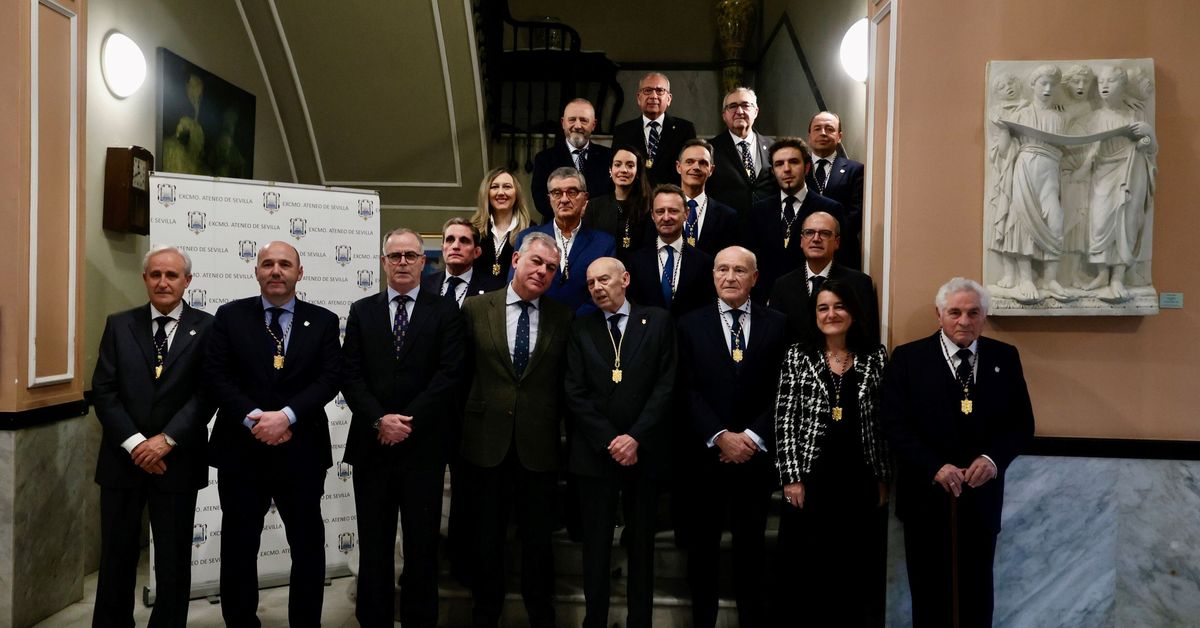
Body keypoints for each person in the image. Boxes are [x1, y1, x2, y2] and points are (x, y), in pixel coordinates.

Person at [205, 241, 343, 628]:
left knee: (307, 548)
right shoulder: (229, 317)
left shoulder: (325, 320)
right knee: (238, 547)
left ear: (300, 273)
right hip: (241, 452)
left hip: (302, 453)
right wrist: (254, 419)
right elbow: (217, 375)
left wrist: (286, 416)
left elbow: (330, 378)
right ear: (256, 272)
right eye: (268, 264)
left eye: (285, 264)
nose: (276, 270)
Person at [883, 277, 1035, 628]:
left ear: (984, 316)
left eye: (973, 313)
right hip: (925, 496)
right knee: (928, 592)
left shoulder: (1004, 357)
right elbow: (894, 425)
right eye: (955, 312)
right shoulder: (908, 359)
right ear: (939, 314)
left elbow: (1021, 425)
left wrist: (992, 460)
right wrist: (934, 466)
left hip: (981, 498)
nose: (963, 321)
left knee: (977, 591)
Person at [341, 228, 466, 628]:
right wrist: (380, 419)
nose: (402, 263)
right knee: (374, 546)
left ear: (423, 262)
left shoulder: (445, 311)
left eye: (410, 256)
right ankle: (373, 620)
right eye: (394, 256)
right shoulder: (362, 310)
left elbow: (449, 374)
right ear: (383, 262)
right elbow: (351, 375)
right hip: (371, 447)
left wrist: (405, 421)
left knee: (421, 545)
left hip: (423, 448)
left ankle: (418, 620)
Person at [91, 246, 214, 628]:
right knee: (116, 558)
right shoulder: (118, 324)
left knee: (174, 559)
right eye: (155, 274)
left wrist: (167, 440)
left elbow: (207, 394)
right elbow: (104, 391)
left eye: (172, 275)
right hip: (121, 461)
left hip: (177, 461)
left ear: (187, 281)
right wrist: (136, 444)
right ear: (144, 279)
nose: (163, 282)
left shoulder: (209, 328)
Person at [458, 232, 572, 628]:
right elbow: (458, 376)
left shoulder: (563, 316)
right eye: (537, 262)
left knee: (538, 543)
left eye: (551, 268)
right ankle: (485, 613)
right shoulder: (474, 309)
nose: (543, 272)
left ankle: (541, 614)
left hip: (538, 447)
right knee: (486, 539)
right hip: (484, 444)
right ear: (516, 258)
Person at [676, 246, 788, 628]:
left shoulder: (779, 324)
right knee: (702, 550)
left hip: (754, 460)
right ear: (712, 276)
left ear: (755, 278)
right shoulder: (689, 324)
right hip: (706, 459)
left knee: (751, 551)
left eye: (739, 271)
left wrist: (751, 437)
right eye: (722, 269)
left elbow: (783, 389)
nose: (730, 277)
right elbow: (685, 389)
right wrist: (720, 435)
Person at [564, 257, 677, 628]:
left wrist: (635, 438)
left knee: (641, 545)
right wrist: (611, 439)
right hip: (595, 454)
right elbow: (575, 392)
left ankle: (639, 620)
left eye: (604, 280)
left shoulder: (657, 321)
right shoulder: (580, 328)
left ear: (625, 279)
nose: (597, 288)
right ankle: (594, 619)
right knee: (595, 548)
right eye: (591, 283)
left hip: (643, 454)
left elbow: (665, 385)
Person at [773, 280, 891, 626]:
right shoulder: (798, 355)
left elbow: (883, 423)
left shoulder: (875, 357)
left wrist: (883, 477)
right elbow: (785, 419)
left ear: (853, 312)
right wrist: (791, 477)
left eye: (839, 306)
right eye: (823, 308)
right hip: (812, 480)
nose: (831, 314)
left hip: (859, 478)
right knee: (809, 568)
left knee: (854, 568)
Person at [990, 65, 1070, 302]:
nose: (1047, 89)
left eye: (1052, 85)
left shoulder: (1060, 117)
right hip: (1026, 166)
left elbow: (1066, 145)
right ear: (1033, 86)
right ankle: (1025, 278)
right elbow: (1004, 151)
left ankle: (1050, 278)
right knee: (1022, 220)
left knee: (1055, 219)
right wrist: (1004, 129)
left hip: (1050, 169)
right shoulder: (1021, 114)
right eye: (1042, 83)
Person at [1079, 65, 1157, 302]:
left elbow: (1151, 149)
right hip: (1102, 172)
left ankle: (1118, 277)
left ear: (1122, 86)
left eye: (1111, 82)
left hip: (1130, 172)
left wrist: (1148, 134)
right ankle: (1102, 273)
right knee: (1100, 221)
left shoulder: (1135, 115)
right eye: (1101, 81)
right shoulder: (1093, 117)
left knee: (1127, 221)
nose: (1104, 86)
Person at [742, 137, 845, 302]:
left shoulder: (830, 209)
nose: (787, 169)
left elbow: (843, 260)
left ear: (807, 167)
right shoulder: (758, 212)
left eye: (793, 162)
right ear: (773, 171)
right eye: (779, 164)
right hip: (768, 305)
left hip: (814, 302)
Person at [515, 167, 616, 314]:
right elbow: (517, 284)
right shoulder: (527, 237)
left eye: (572, 192)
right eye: (557, 193)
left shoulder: (604, 243)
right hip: (537, 323)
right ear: (549, 199)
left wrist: (571, 321)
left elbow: (607, 291)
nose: (564, 199)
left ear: (585, 198)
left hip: (584, 327)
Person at [769, 211, 879, 344]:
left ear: (837, 242)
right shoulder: (782, 285)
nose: (816, 239)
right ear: (801, 241)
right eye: (809, 233)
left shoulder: (859, 283)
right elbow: (776, 339)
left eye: (824, 233)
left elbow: (868, 336)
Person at [626, 184, 716, 318]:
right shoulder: (635, 262)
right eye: (660, 211)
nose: (666, 217)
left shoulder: (704, 263)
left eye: (673, 211)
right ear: (652, 215)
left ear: (686, 213)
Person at [531, 99, 615, 222]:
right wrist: (572, 212)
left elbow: (613, 197)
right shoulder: (544, 159)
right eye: (572, 120)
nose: (577, 126)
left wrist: (589, 212)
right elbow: (540, 201)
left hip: (598, 228)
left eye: (583, 120)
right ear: (563, 123)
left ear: (594, 125)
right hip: (559, 231)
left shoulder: (609, 157)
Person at [611, 72, 698, 186]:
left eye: (659, 91)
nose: (653, 96)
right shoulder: (622, 131)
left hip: (671, 198)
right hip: (634, 199)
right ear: (639, 97)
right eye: (647, 90)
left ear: (669, 99)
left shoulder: (684, 129)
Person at [806, 111, 865, 269]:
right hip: (802, 251)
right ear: (809, 135)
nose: (823, 133)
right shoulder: (796, 168)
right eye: (817, 128)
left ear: (839, 136)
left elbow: (856, 212)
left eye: (829, 129)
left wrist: (829, 236)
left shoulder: (855, 170)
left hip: (842, 251)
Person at [705, 87, 776, 214]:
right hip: (728, 226)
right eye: (732, 106)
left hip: (767, 224)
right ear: (724, 115)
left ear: (756, 111)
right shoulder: (710, 149)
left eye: (745, 105)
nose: (739, 111)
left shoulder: (773, 147)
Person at [583, 145, 653, 258]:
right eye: (617, 164)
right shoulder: (594, 206)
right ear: (610, 170)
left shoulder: (649, 205)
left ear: (637, 172)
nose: (623, 170)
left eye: (630, 165)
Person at [471, 167, 534, 293]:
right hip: (477, 301)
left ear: (516, 194)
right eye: (494, 187)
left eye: (507, 187)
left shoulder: (530, 230)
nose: (501, 192)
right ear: (486, 193)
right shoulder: (473, 229)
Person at [675, 138, 741, 257]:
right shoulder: (661, 211)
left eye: (703, 163)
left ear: (711, 170)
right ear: (678, 167)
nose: (696, 167)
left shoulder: (727, 216)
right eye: (689, 162)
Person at [422, 217, 489, 304]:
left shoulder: (493, 289)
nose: (455, 246)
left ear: (476, 252)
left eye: (464, 241)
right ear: (442, 249)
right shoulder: (423, 286)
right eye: (450, 240)